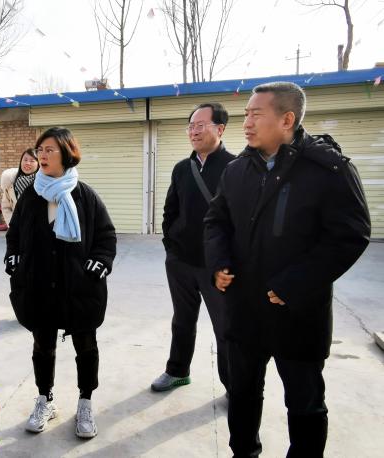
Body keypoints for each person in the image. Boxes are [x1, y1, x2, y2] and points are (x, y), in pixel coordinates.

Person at [204, 82, 371, 457]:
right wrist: (219, 263)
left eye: (256, 114)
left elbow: (350, 235)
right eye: (246, 114)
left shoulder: (329, 170)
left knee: (305, 403)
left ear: (287, 119)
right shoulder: (236, 170)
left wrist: (295, 284)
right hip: (245, 310)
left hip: (298, 313)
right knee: (243, 396)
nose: (246, 122)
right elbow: (216, 221)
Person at [5, 127, 117, 439]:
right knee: (43, 346)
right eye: (40, 149)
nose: (42, 155)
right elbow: (15, 235)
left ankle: (85, 402)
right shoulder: (31, 195)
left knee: (86, 346)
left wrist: (98, 265)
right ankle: (46, 399)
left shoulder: (85, 196)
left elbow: (106, 236)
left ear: (66, 154)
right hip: (39, 286)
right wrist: (14, 259)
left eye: (49, 150)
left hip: (79, 287)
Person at [151, 103, 235, 394]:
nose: (194, 131)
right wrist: (171, 247)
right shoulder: (182, 169)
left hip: (217, 267)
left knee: (225, 327)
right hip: (181, 261)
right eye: (191, 126)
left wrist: (227, 262)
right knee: (182, 320)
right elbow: (170, 211)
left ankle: (232, 385)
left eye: (201, 125)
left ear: (220, 129)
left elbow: (242, 222)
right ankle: (177, 371)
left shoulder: (236, 167)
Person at [0, 148, 39, 225]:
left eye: (32, 161)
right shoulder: (10, 183)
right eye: (25, 160)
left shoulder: (44, 183)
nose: (27, 163)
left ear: (38, 164)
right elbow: (6, 207)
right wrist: (13, 224)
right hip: (18, 228)